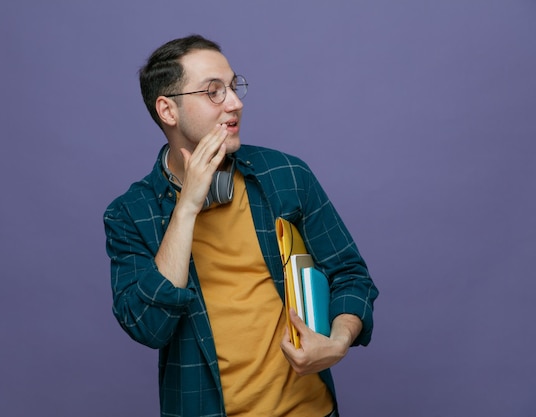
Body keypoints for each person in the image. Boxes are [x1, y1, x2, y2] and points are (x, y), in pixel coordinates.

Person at [104, 34, 378, 417]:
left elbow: (350, 274)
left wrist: (338, 342)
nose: (235, 103)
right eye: (213, 92)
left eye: (234, 87)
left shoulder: (287, 175)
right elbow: (149, 327)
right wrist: (186, 208)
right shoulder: (129, 214)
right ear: (167, 110)